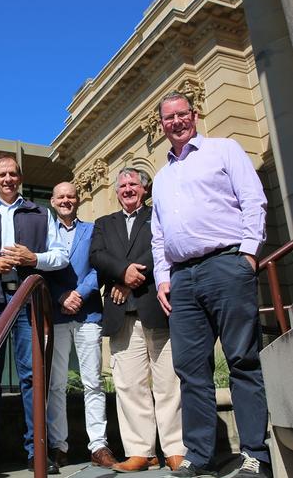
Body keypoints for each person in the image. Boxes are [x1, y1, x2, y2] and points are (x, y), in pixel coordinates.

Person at [152, 91, 270, 478]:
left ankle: (254, 453)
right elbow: (158, 235)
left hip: (226, 264)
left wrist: (249, 254)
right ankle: (199, 454)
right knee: (190, 369)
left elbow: (253, 199)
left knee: (243, 360)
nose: (176, 122)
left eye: (181, 114)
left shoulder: (224, 149)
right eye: (168, 118)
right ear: (162, 125)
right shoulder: (162, 177)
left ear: (195, 114)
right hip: (182, 279)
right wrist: (163, 277)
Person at [0, 154, 69, 476]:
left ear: (19, 178)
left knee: (32, 377)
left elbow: (61, 256)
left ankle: (36, 452)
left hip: (28, 304)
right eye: (1, 175)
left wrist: (32, 257)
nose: (8, 179)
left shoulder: (40, 213)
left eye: (13, 173)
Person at [90, 167, 186, 472]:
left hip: (156, 306)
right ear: (116, 192)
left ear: (144, 189)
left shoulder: (158, 215)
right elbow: (97, 256)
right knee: (129, 385)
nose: (127, 189)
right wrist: (121, 273)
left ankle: (174, 449)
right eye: (122, 185)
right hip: (122, 315)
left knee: (168, 381)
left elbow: (164, 248)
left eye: (133, 184)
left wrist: (131, 275)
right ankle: (141, 452)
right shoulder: (104, 224)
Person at [45, 182, 116, 468]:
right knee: (56, 383)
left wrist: (80, 294)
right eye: (60, 196)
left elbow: (99, 266)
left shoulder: (92, 230)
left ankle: (98, 446)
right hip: (57, 314)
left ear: (77, 200)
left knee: (93, 382)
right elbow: (39, 270)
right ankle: (58, 445)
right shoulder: (45, 232)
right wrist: (60, 296)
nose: (66, 200)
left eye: (71, 196)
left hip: (87, 314)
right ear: (53, 201)